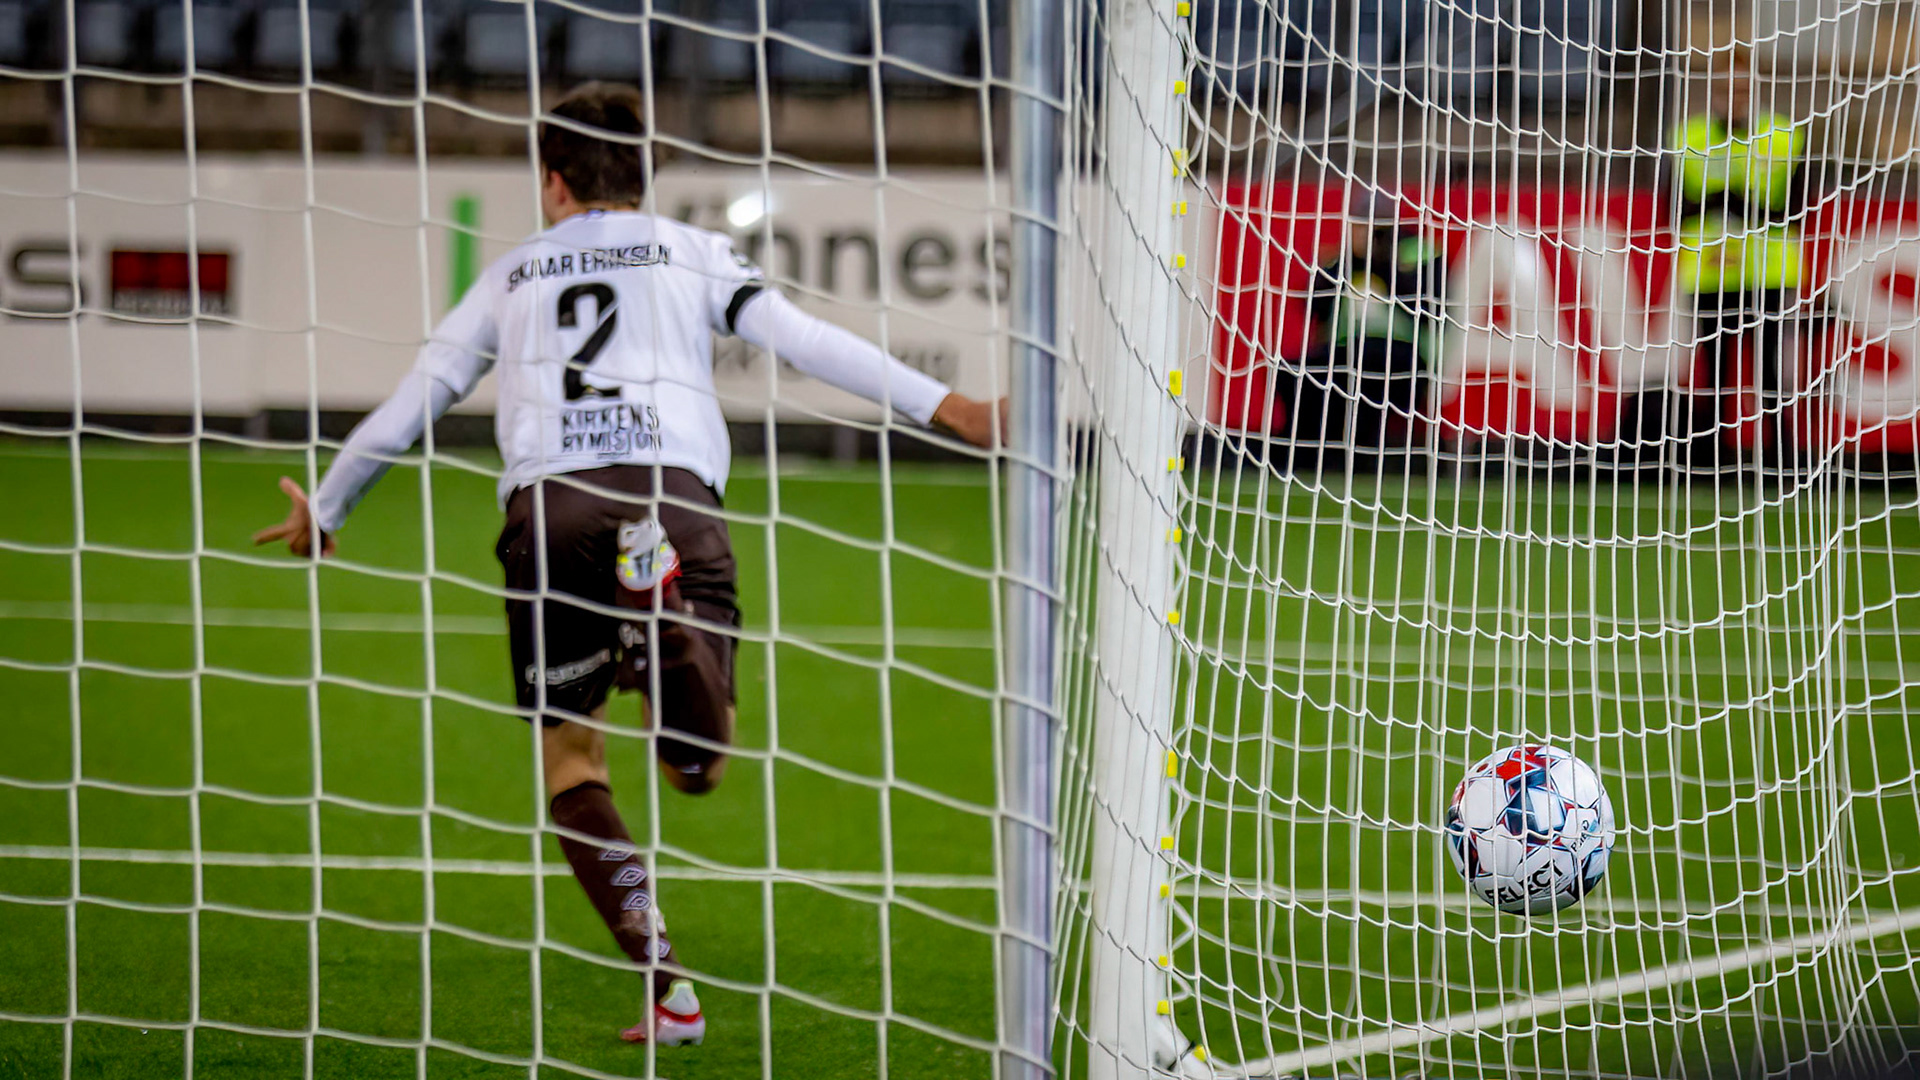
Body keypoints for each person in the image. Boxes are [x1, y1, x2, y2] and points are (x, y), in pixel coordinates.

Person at [252, 82, 1001, 1048]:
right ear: (643, 176)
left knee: (572, 763)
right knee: (693, 768)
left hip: (552, 507)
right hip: (673, 497)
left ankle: (668, 987)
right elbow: (806, 340)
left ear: (553, 181)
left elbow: (421, 394)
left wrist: (330, 503)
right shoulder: (692, 252)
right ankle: (666, 616)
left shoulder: (514, 273)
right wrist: (956, 410)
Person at [1666, 52, 1807, 476]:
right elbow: (1671, 207)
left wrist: (1746, 207)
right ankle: (1712, 461)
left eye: (1743, 88)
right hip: (1710, 272)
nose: (1735, 97)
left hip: (1766, 272)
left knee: (1768, 371)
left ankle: (1782, 461)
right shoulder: (1688, 136)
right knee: (1714, 372)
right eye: (1727, 89)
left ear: (1757, 91)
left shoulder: (1784, 136)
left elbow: (1799, 208)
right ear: (1713, 92)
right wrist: (1713, 202)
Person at [1281, 189, 1444, 470]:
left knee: (1370, 370)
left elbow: (1429, 306)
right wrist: (1349, 261)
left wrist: (1379, 261)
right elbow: (1313, 305)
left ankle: (1362, 454)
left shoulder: (1417, 251)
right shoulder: (1342, 259)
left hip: (1401, 351)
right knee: (1291, 372)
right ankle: (1305, 455)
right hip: (1346, 349)